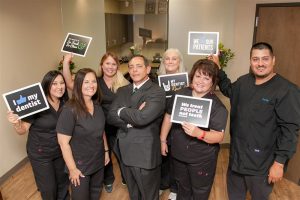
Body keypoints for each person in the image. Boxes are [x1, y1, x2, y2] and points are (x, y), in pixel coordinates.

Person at [214, 42, 300, 200]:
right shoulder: (243, 82)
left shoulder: (287, 90)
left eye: (265, 59)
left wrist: (279, 163)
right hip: (237, 161)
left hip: (262, 166)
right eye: (255, 59)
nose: (260, 63)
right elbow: (228, 89)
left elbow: (290, 131)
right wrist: (218, 69)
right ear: (250, 61)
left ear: (273, 60)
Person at [160, 59, 228, 200]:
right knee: (183, 188)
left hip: (202, 159)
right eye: (198, 76)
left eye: (206, 78)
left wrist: (199, 133)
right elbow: (168, 116)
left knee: (200, 192)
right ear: (192, 76)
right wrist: (162, 140)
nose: (201, 81)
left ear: (213, 81)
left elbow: (218, 136)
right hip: (179, 155)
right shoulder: (179, 94)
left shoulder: (217, 106)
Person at [62, 52, 129, 193]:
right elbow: (70, 84)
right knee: (105, 156)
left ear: (118, 66)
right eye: (107, 63)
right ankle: (108, 179)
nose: (110, 67)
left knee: (122, 154)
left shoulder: (123, 82)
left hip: (119, 126)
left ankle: (126, 177)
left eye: (113, 64)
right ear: (101, 65)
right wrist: (66, 63)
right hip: (99, 126)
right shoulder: (95, 82)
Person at [107, 55, 166, 200]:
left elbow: (142, 118)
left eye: (139, 66)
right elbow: (110, 116)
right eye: (131, 67)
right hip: (124, 152)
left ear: (147, 68)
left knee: (148, 196)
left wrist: (121, 110)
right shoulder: (122, 90)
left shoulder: (156, 91)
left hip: (144, 154)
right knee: (134, 194)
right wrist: (130, 118)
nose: (134, 70)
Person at [6, 70, 70, 200]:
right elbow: (22, 130)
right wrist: (16, 123)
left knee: (63, 183)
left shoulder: (65, 103)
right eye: (54, 84)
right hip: (40, 154)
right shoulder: (36, 103)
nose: (59, 87)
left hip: (60, 151)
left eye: (62, 83)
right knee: (49, 188)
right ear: (47, 85)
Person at [56, 68, 110, 200]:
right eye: (86, 82)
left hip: (98, 160)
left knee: (96, 194)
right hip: (80, 166)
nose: (91, 85)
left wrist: (106, 151)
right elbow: (63, 143)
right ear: (79, 84)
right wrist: (72, 169)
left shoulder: (97, 106)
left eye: (93, 81)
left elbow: (101, 131)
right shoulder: (70, 109)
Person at [156, 48, 186, 200]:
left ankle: (174, 188)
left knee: (176, 159)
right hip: (160, 124)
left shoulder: (186, 82)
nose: (170, 61)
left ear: (179, 62)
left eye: (174, 59)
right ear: (163, 62)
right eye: (167, 59)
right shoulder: (157, 80)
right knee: (162, 156)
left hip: (178, 126)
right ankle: (162, 184)